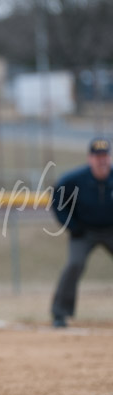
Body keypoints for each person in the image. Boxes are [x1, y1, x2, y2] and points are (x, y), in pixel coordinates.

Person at [50, 137, 113, 328]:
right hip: (84, 231)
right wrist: (71, 225)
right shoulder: (73, 180)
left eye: (104, 156)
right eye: (97, 156)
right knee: (74, 264)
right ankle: (60, 313)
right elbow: (57, 202)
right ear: (90, 158)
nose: (101, 160)